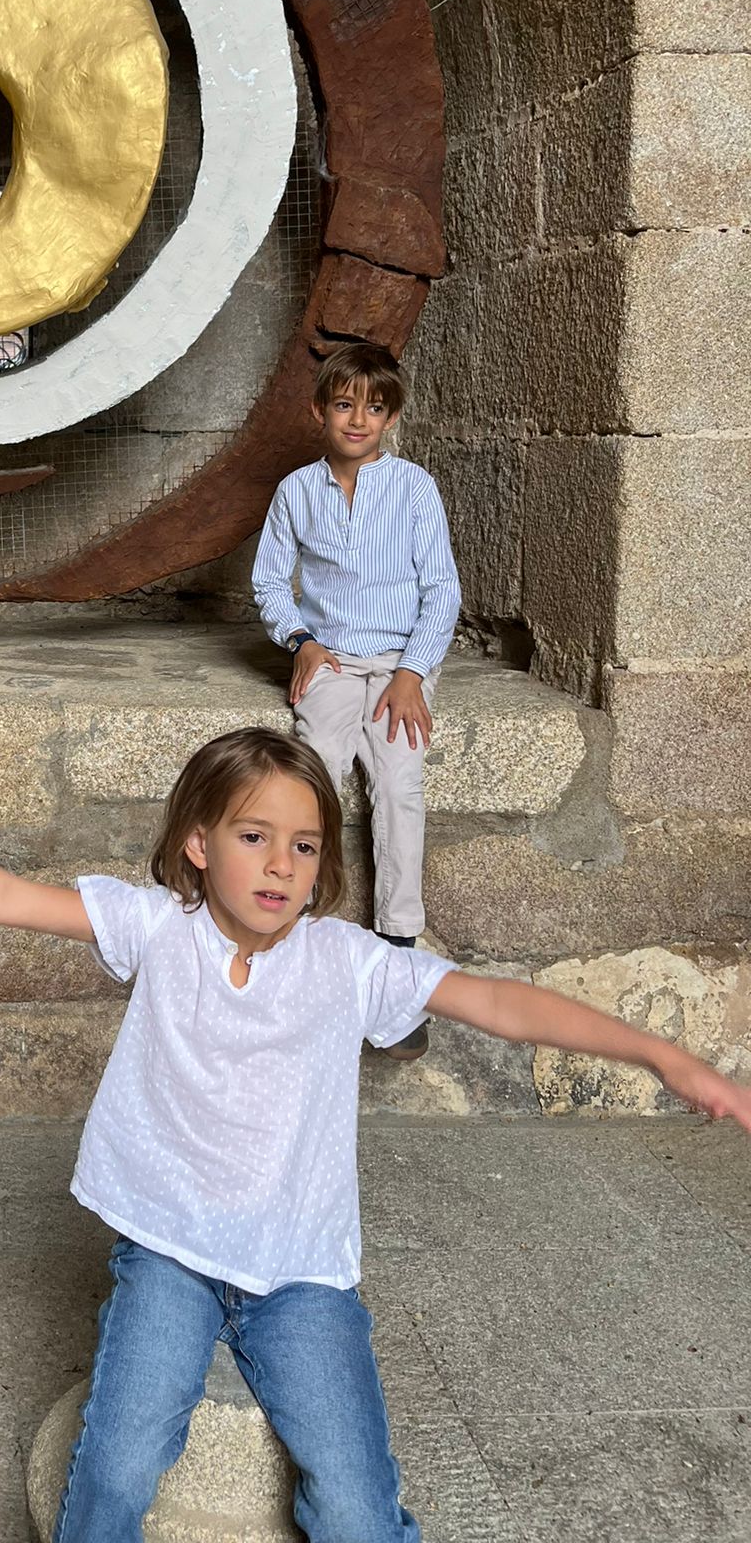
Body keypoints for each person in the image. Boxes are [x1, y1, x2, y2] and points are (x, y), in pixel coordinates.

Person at [0, 728, 751, 1543]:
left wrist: (662, 1054)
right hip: (170, 1249)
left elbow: (499, 1001)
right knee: (120, 1465)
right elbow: (2, 895)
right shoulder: (159, 928)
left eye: (304, 844)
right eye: (254, 835)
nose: (280, 863)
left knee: (357, 1506)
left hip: (300, 1269)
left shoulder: (346, 962)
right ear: (197, 842)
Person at [252, 341, 458, 1058]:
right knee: (313, 779)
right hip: (333, 661)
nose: (358, 419)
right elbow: (272, 583)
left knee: (400, 786)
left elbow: (442, 590)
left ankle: (397, 958)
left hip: (404, 663)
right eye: (344, 404)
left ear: (392, 416)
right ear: (319, 412)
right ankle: (294, 936)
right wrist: (302, 641)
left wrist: (413, 672)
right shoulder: (297, 492)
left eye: (374, 407)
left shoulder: (413, 490)